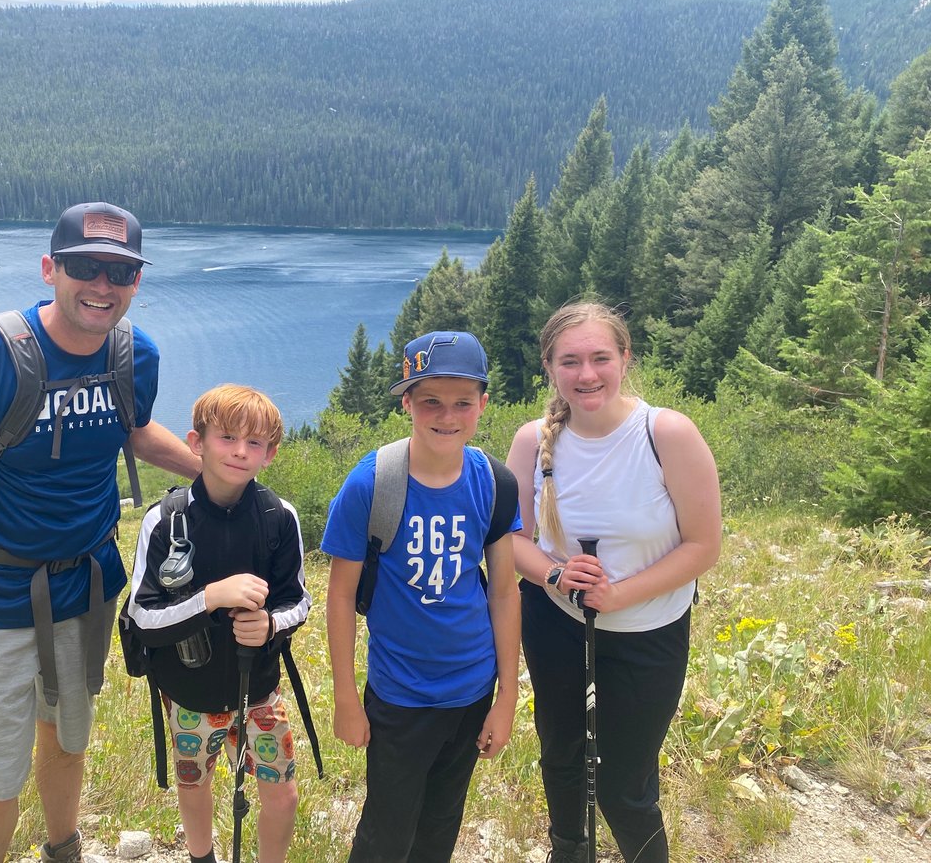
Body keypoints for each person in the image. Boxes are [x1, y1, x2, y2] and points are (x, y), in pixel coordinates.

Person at [0, 201, 201, 863]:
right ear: (49, 269)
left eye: (120, 272)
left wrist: (216, 476)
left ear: (136, 283)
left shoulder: (133, 355)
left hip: (83, 590)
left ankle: (64, 849)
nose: (102, 284)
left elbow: (134, 427)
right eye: (85, 266)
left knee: (67, 737)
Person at [505, 301, 722, 863]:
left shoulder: (666, 433)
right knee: (561, 755)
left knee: (627, 779)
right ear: (550, 367)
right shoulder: (532, 441)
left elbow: (703, 545)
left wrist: (621, 594)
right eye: (570, 361)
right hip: (556, 621)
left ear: (625, 359)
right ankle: (568, 851)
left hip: (650, 629)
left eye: (601, 357)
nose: (587, 374)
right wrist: (555, 573)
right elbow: (509, 540)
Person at [321, 330, 522, 863]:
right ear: (406, 402)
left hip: (473, 690)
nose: (446, 415)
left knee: (440, 827)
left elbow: (503, 592)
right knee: (386, 834)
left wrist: (506, 696)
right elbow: (340, 596)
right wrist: (346, 698)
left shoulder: (495, 483)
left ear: (482, 402)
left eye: (462, 402)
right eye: (430, 400)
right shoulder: (372, 483)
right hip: (400, 695)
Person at [126, 384, 310, 863]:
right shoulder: (165, 522)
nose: (240, 451)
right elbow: (141, 618)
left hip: (261, 691)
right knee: (195, 783)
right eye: (227, 437)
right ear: (196, 442)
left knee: (282, 794)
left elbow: (299, 602)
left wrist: (269, 625)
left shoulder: (278, 517)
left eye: (255, 443)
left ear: (270, 455)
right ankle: (201, 856)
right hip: (190, 694)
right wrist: (209, 598)